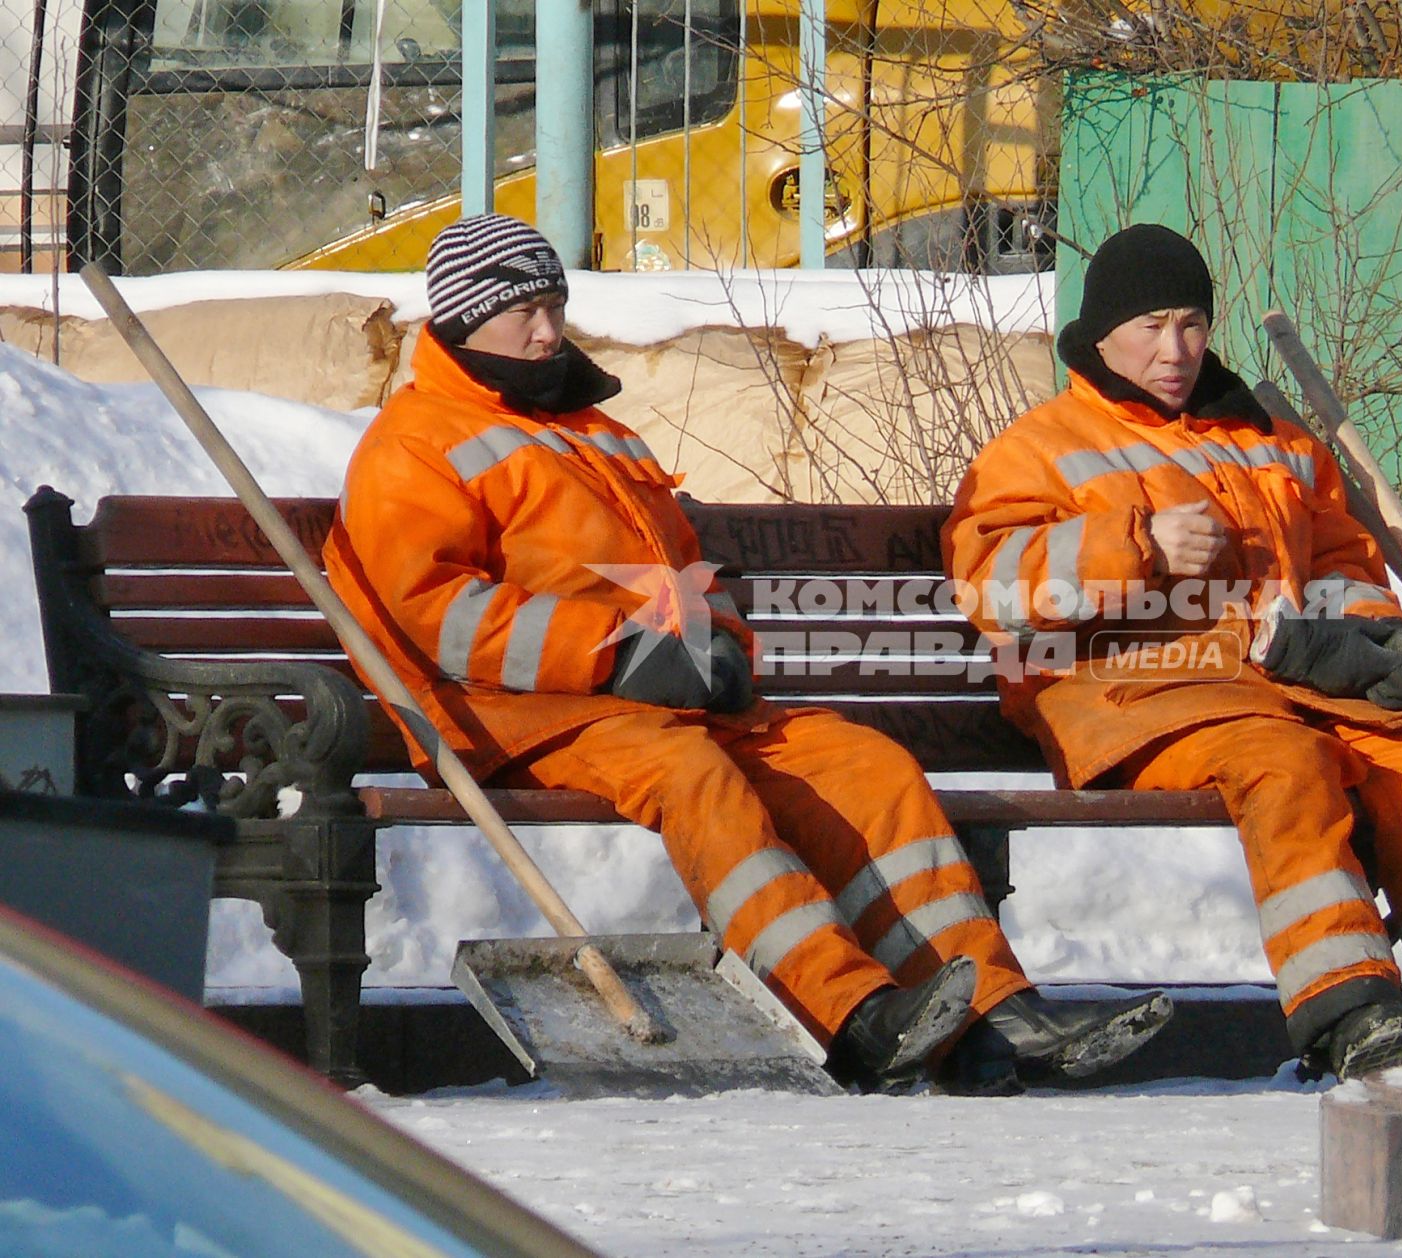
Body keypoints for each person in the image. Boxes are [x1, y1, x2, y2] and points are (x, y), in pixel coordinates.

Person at [323, 213, 1171, 1094]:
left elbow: (676, 568)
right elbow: (434, 611)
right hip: (527, 716)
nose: (547, 330)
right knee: (696, 779)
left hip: (660, 697)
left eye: (555, 306)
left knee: (863, 766)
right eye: (523, 311)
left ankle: (992, 1017)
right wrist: (614, 655)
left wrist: (716, 646)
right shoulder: (413, 446)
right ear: (463, 319)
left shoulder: (592, 431)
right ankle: (852, 1016)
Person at [942, 224, 1402, 1082]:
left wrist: (1365, 641)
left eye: (1192, 324)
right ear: (1101, 334)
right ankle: (1349, 1009)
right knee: (1287, 767)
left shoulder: (1271, 440)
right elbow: (991, 588)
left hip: (1295, 686)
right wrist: (1138, 544)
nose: (1176, 349)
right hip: (1138, 695)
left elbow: (1345, 560)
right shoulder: (1039, 448)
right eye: (1152, 326)